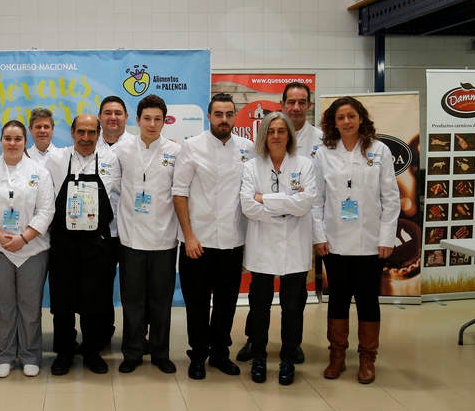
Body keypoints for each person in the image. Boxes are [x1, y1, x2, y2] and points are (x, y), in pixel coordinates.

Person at [312, 96, 399, 384]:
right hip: (335, 241)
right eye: (340, 117)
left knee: (367, 299)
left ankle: (367, 358)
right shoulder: (324, 154)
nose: (346, 122)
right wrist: (319, 236)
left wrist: (387, 237)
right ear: (333, 123)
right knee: (337, 298)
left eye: (351, 116)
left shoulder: (379, 151)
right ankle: (337, 355)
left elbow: (391, 198)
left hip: (370, 242)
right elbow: (317, 200)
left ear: (361, 118)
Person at [237, 82, 321, 364]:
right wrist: (286, 203)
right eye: (271, 131)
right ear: (264, 134)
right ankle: (258, 354)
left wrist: (266, 199)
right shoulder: (252, 166)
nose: (276, 135)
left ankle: (288, 355)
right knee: (259, 305)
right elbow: (248, 206)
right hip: (262, 246)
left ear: (289, 135)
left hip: (294, 245)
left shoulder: (305, 165)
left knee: (292, 306)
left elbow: (306, 203)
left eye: (281, 131)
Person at [173, 93, 254, 380]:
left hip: (233, 242)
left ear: (235, 117)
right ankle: (198, 355)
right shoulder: (191, 147)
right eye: (218, 114)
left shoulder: (248, 149)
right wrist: (189, 236)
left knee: (226, 303)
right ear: (209, 117)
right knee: (196, 304)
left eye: (229, 114)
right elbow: (179, 193)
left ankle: (220, 353)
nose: (224, 119)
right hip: (198, 243)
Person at [0, 120, 55, 378]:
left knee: (30, 306)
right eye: (7, 138)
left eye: (17, 138)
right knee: (2, 305)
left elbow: (46, 210)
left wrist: (24, 238)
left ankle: (30, 355)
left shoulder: (39, 172)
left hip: (32, 249)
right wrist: (0, 236)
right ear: (1, 140)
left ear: (25, 141)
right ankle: (5, 355)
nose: (12, 143)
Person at [45, 114, 120, 375]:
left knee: (95, 301)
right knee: (62, 302)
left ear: (98, 133)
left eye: (91, 132)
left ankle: (92, 352)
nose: (86, 138)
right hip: (63, 242)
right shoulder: (57, 159)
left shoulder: (111, 160)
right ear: (72, 133)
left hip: (97, 242)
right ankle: (64, 353)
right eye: (81, 132)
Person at [115, 94, 180, 374]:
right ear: (137, 120)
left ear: (164, 121)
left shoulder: (176, 152)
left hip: (164, 238)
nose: (152, 124)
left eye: (158, 119)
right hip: (131, 238)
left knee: (160, 301)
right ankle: (132, 351)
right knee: (132, 300)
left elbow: (180, 194)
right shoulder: (122, 150)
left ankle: (160, 352)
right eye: (147, 118)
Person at [97, 96, 131, 344]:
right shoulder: (87, 145)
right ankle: (102, 333)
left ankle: (136, 336)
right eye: (107, 112)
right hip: (101, 232)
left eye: (118, 113)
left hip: (133, 229)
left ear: (127, 118)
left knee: (134, 288)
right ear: (100, 117)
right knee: (100, 286)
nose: (113, 117)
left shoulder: (137, 145)